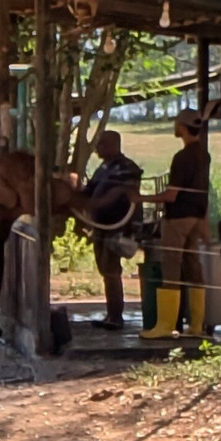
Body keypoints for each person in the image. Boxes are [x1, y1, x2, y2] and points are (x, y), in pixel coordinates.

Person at [133, 108, 211, 340]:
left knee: (171, 267)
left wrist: (141, 198)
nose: (175, 126)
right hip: (197, 217)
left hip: (178, 219)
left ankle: (166, 325)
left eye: (177, 123)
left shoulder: (183, 156)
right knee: (193, 267)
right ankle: (196, 324)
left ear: (183, 127)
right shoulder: (203, 154)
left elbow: (172, 195)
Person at [81, 130, 143, 330]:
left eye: (103, 144)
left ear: (114, 145)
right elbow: (90, 190)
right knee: (106, 270)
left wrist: (97, 204)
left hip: (116, 227)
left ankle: (116, 316)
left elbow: (122, 194)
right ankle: (111, 314)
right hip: (101, 226)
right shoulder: (103, 168)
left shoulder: (127, 168)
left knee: (111, 271)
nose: (98, 149)